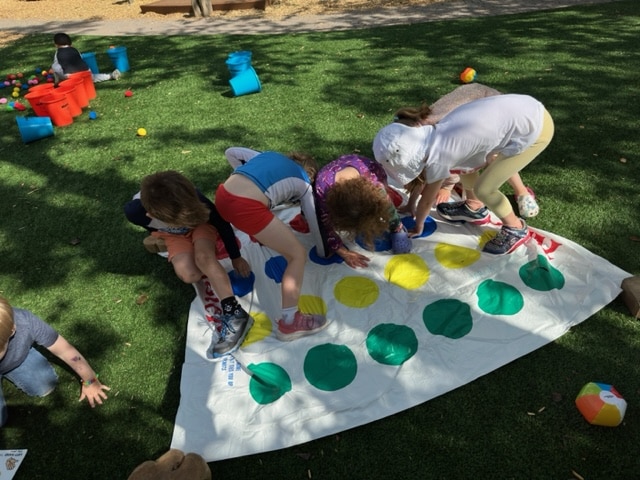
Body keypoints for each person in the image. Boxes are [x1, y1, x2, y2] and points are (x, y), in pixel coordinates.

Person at [373, 94, 554, 255]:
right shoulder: (433, 134)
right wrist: (411, 205)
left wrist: (418, 225)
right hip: (524, 110)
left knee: (485, 188)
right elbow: (426, 180)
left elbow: (427, 199)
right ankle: (474, 206)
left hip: (535, 129)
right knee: (463, 167)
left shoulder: (439, 157)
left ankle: (515, 228)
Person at [124, 170, 253, 359]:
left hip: (200, 225)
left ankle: (234, 311)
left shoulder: (195, 200)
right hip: (172, 233)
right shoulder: (135, 212)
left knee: (204, 259)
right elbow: (152, 228)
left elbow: (222, 224)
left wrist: (235, 257)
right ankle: (200, 255)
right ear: (151, 213)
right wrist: (172, 239)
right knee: (189, 275)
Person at [216, 150, 329, 341]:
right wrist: (322, 251)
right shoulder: (304, 184)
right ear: (310, 174)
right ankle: (290, 322)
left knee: (261, 216)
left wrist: (242, 175)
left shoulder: (265, 155)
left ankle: (254, 231)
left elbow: (231, 152)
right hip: (245, 207)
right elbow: (315, 223)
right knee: (297, 255)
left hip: (222, 196)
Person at [394, 83, 539, 218]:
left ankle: (522, 192)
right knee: (471, 160)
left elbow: (451, 169)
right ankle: (474, 203)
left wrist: (446, 187)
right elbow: (421, 176)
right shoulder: (417, 139)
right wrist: (410, 204)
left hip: (487, 104)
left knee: (496, 155)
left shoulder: (439, 144)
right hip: (470, 104)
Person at [0, 295, 110, 427]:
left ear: (12, 330)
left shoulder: (26, 322)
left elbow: (66, 351)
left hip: (17, 359)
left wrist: (90, 380)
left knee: (45, 384)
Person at [314, 154, 410, 268]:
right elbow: (324, 225)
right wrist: (343, 252)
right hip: (330, 175)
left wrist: (397, 227)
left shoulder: (374, 176)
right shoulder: (322, 189)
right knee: (315, 213)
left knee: (384, 199)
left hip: (359, 163)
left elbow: (386, 204)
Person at [51, 32, 121, 85]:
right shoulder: (75, 49)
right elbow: (80, 59)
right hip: (86, 72)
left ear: (56, 44)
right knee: (93, 78)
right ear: (70, 43)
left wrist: (53, 71)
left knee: (54, 66)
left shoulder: (58, 52)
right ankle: (110, 76)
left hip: (70, 76)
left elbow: (57, 65)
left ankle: (59, 79)